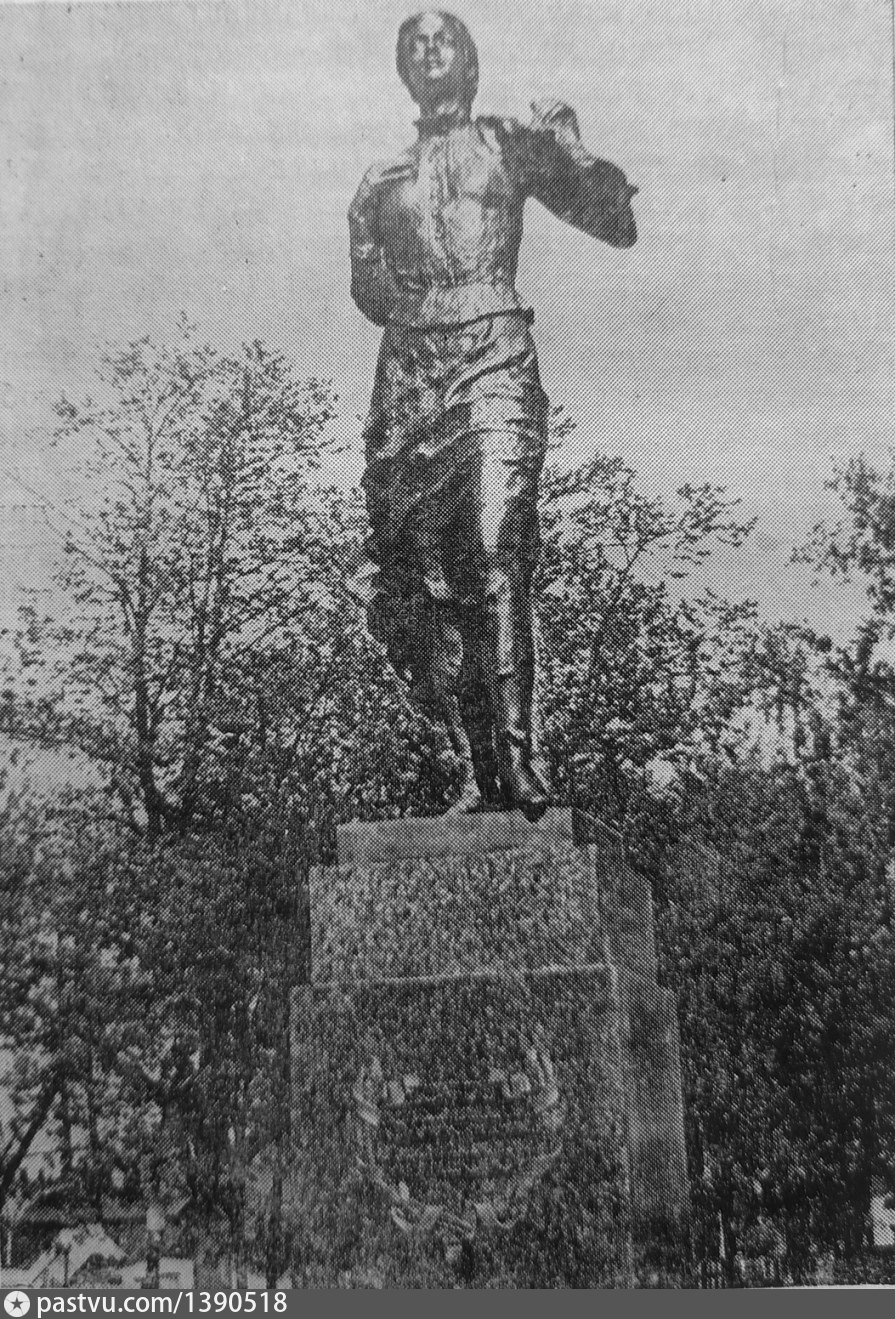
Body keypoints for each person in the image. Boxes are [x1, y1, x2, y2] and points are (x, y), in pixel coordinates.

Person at [350, 10, 637, 820]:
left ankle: (515, 757)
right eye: (413, 43)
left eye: (442, 39)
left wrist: (569, 147)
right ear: (402, 69)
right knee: (427, 580)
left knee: (494, 547)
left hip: (494, 356)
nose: (427, 50)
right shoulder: (383, 178)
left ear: (469, 64)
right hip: (411, 376)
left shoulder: (508, 143)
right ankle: (472, 771)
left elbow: (614, 223)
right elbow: (372, 297)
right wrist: (364, 231)